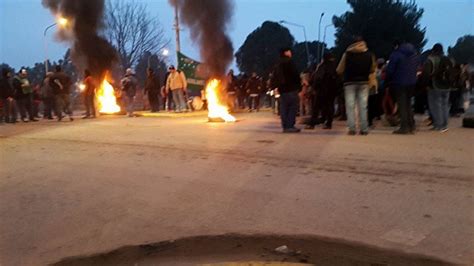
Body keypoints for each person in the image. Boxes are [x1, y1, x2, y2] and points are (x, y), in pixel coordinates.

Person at [336, 37, 376, 135]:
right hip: (364, 82)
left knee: (350, 106)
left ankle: (352, 128)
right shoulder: (370, 54)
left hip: (349, 82)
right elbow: (372, 69)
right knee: (363, 106)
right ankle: (364, 129)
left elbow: (339, 70)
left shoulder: (347, 54)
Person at [386, 42, 419, 134]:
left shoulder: (396, 55)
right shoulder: (414, 54)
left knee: (402, 105)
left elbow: (390, 70)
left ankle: (404, 127)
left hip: (399, 82)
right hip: (412, 82)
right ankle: (411, 125)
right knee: (408, 104)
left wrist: (388, 80)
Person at [306, 52, 341, 130]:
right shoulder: (335, 67)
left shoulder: (322, 66)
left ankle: (312, 124)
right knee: (330, 106)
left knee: (316, 107)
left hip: (322, 90)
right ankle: (329, 123)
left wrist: (314, 87)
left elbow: (318, 78)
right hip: (332, 90)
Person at [423, 43, 452, 132]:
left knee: (435, 106)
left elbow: (426, 74)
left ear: (433, 50)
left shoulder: (430, 60)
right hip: (447, 86)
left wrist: (426, 84)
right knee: (445, 105)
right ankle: (445, 124)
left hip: (435, 85)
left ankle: (438, 125)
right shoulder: (448, 59)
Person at [273, 47, 301, 133]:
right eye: (289, 51)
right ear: (286, 53)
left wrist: (276, 87)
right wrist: (299, 86)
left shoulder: (277, 64)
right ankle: (290, 125)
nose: (290, 53)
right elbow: (295, 75)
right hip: (291, 88)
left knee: (283, 107)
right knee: (292, 107)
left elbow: (274, 77)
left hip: (282, 89)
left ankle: (285, 126)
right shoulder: (290, 62)